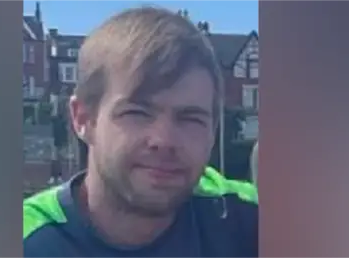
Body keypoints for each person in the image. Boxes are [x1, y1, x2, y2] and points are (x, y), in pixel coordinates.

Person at [23, 6, 258, 258]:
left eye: (190, 118)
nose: (164, 140)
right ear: (83, 119)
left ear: (213, 131)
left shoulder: (244, 216)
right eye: (137, 113)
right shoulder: (30, 241)